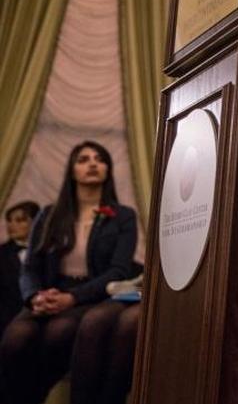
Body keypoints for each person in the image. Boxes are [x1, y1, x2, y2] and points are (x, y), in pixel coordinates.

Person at [0, 141, 138, 404]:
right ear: (72, 170)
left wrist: (72, 298)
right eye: (83, 159)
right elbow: (29, 267)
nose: (92, 164)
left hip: (93, 293)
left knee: (59, 332)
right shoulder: (49, 214)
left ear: (108, 169)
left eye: (99, 159)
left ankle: (33, 395)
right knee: (14, 339)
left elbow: (118, 271)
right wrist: (33, 298)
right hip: (49, 293)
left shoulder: (123, 216)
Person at [1, 201, 41, 331]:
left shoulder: (50, 250)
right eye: (9, 220)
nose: (12, 225)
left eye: (20, 220)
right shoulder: (2, 253)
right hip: (8, 319)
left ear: (36, 221)